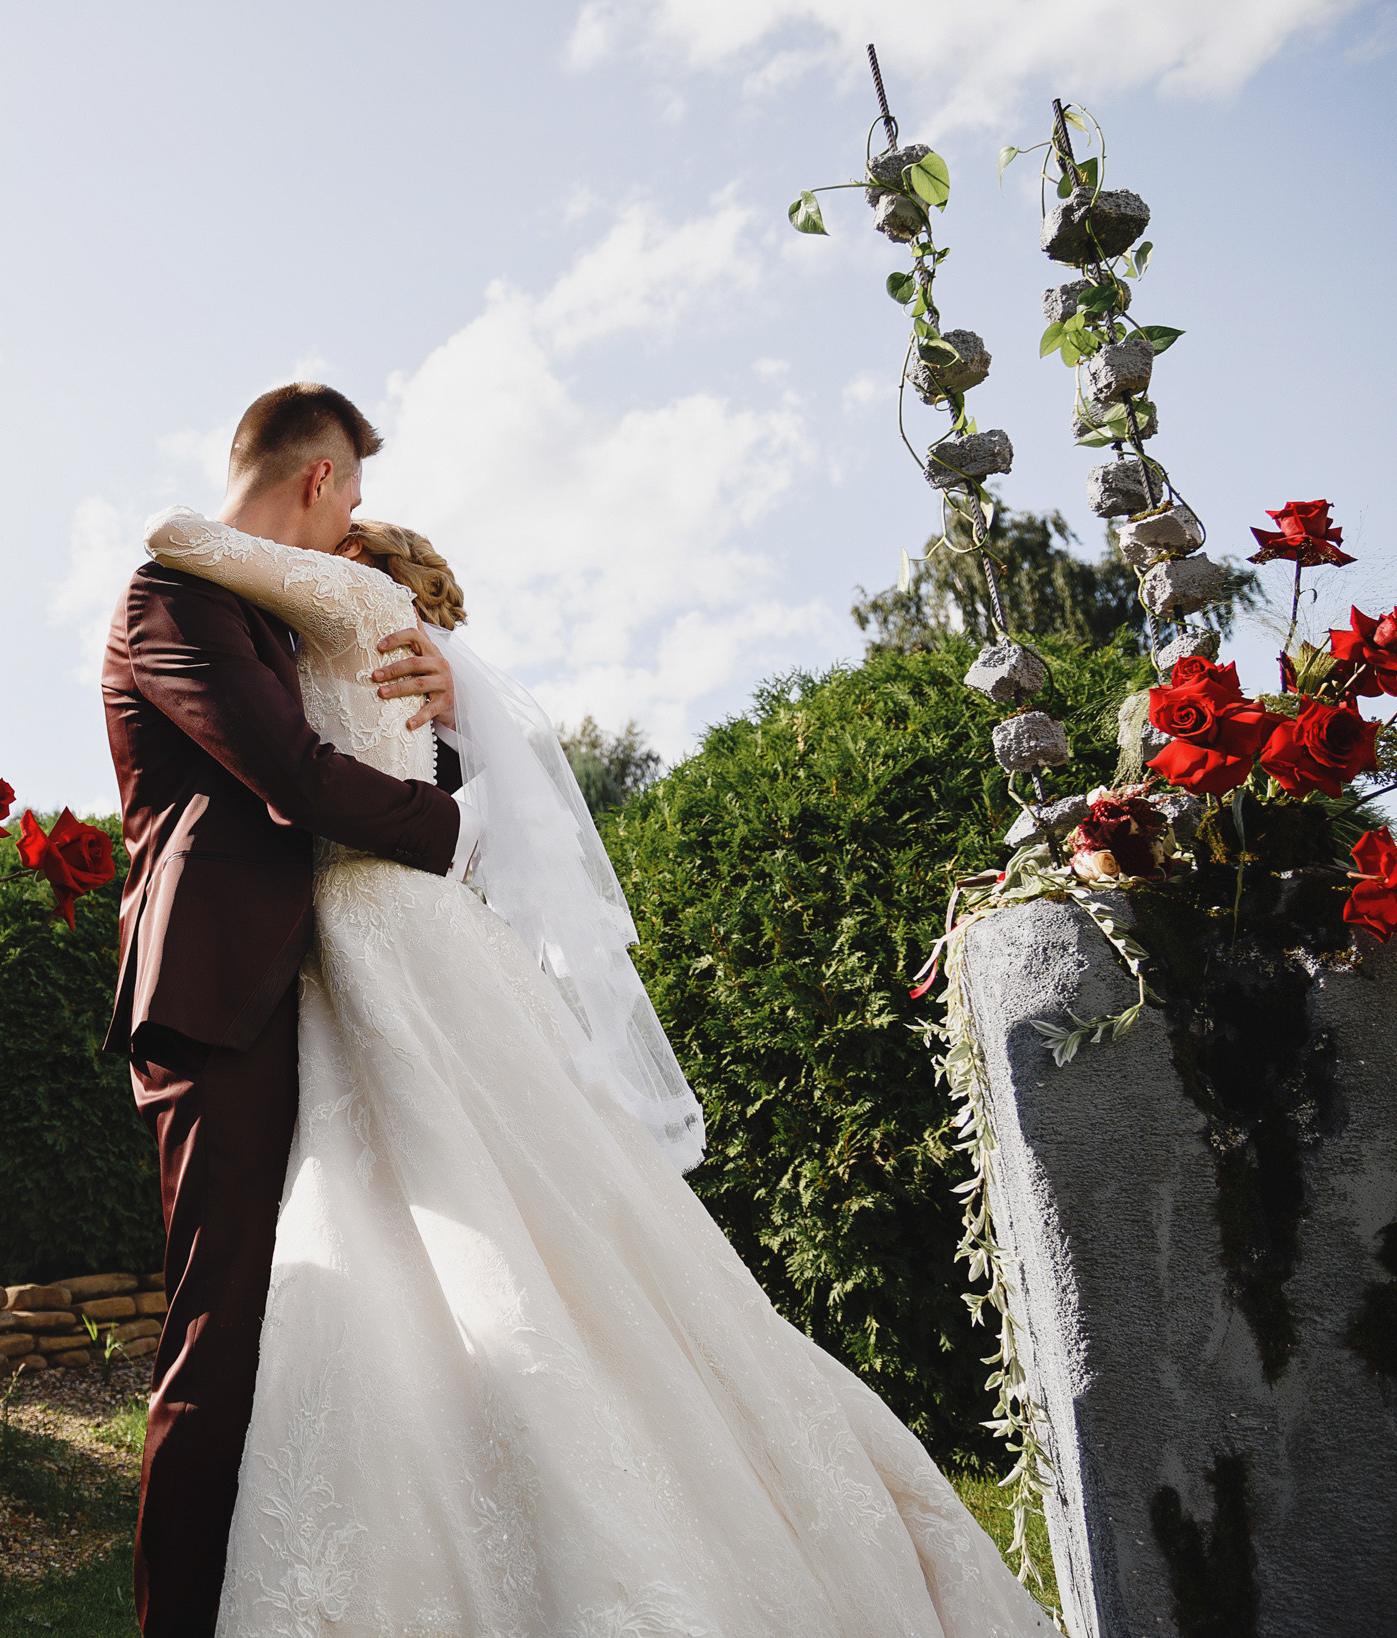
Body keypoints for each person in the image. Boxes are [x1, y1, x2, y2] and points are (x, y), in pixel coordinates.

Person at [136, 491, 1061, 1634]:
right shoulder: (416, 671)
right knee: (525, 1220)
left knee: (421, 1226)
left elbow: (190, 547)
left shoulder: (344, 601)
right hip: (399, 940)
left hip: (378, 927)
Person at [101, 384, 474, 1637]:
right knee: (221, 1340)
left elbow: (363, 748)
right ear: (317, 479)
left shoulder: (279, 609)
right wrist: (463, 834)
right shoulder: (175, 600)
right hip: (218, 991)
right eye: (351, 500)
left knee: (338, 1320)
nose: (353, 529)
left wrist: (441, 724)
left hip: (334, 989)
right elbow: (290, 774)